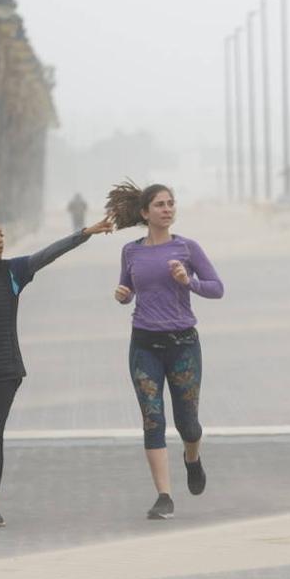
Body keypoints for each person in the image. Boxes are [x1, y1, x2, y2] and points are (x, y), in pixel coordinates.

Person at [0, 211, 114, 526]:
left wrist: (86, 232)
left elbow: (49, 253)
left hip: (5, 369)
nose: (0, 240)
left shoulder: (13, 272)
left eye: (1, 234)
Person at [108, 182, 224, 520]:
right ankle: (164, 495)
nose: (167, 209)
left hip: (183, 344)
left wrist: (189, 281)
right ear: (145, 213)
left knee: (188, 423)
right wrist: (122, 295)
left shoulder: (188, 248)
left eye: (171, 203)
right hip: (144, 344)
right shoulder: (131, 251)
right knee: (152, 419)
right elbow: (127, 288)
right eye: (159, 204)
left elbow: (217, 289)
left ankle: (192, 457)